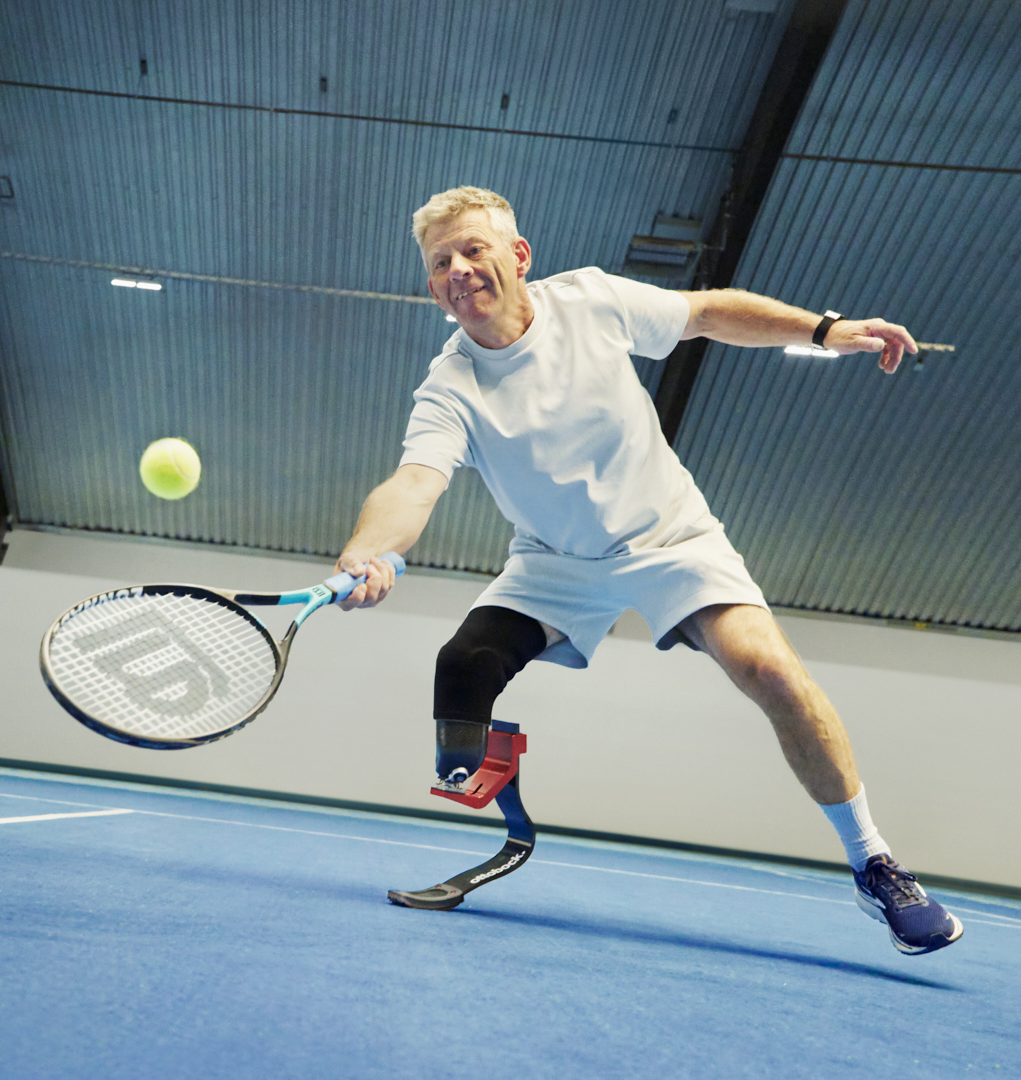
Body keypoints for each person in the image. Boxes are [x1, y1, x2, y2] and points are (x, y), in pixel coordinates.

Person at [334, 186, 961, 955]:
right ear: (433, 287)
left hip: (670, 539)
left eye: (474, 250)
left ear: (519, 257)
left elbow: (705, 313)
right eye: (441, 263)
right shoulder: (451, 385)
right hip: (555, 562)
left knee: (773, 673)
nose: (459, 270)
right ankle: (505, 812)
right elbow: (414, 483)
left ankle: (875, 865)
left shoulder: (591, 301)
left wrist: (825, 329)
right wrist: (373, 550)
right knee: (462, 667)